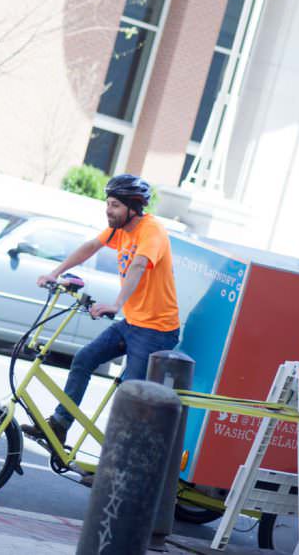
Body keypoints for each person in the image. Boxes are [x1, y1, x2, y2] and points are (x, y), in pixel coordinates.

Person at [20, 174, 180, 445]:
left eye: (115, 204)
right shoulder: (119, 230)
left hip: (156, 330)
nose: (108, 209)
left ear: (133, 207)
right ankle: (60, 424)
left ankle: (116, 465)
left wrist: (116, 304)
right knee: (84, 358)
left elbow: (139, 266)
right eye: (108, 203)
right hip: (133, 323)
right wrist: (56, 272)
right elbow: (91, 247)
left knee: (129, 393)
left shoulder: (151, 231)